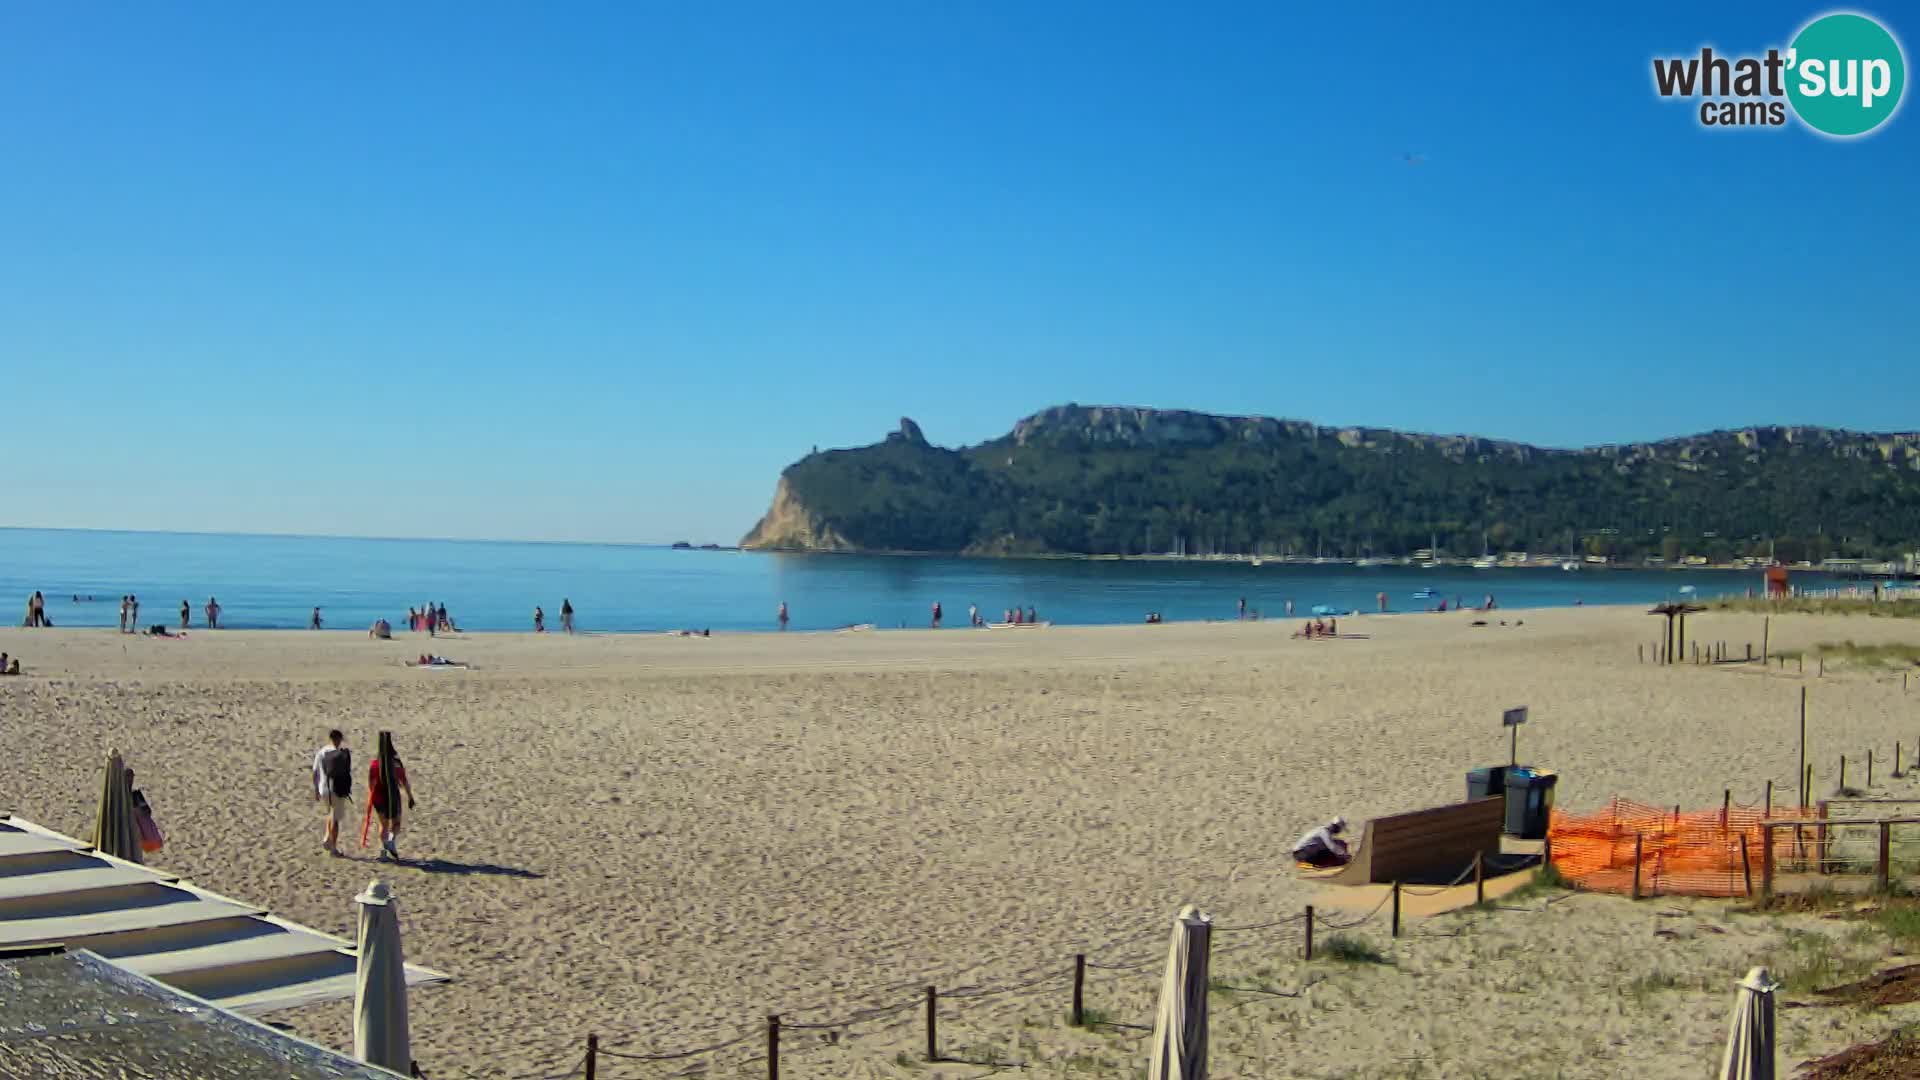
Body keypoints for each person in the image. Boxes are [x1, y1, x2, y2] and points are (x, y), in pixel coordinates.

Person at [368, 736, 415, 861]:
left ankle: (383, 852)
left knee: (383, 825)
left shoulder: (374, 764)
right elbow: (404, 781)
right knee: (396, 824)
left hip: (378, 797)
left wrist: (371, 799)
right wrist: (410, 797)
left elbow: (371, 784)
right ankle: (390, 841)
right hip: (392, 796)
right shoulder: (396, 764)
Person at [312, 730, 351, 855]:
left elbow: (315, 772)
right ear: (340, 739)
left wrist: (316, 790)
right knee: (335, 819)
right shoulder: (342, 753)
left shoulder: (322, 752)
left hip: (324, 788)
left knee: (330, 813)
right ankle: (333, 847)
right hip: (337, 788)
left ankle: (327, 838)